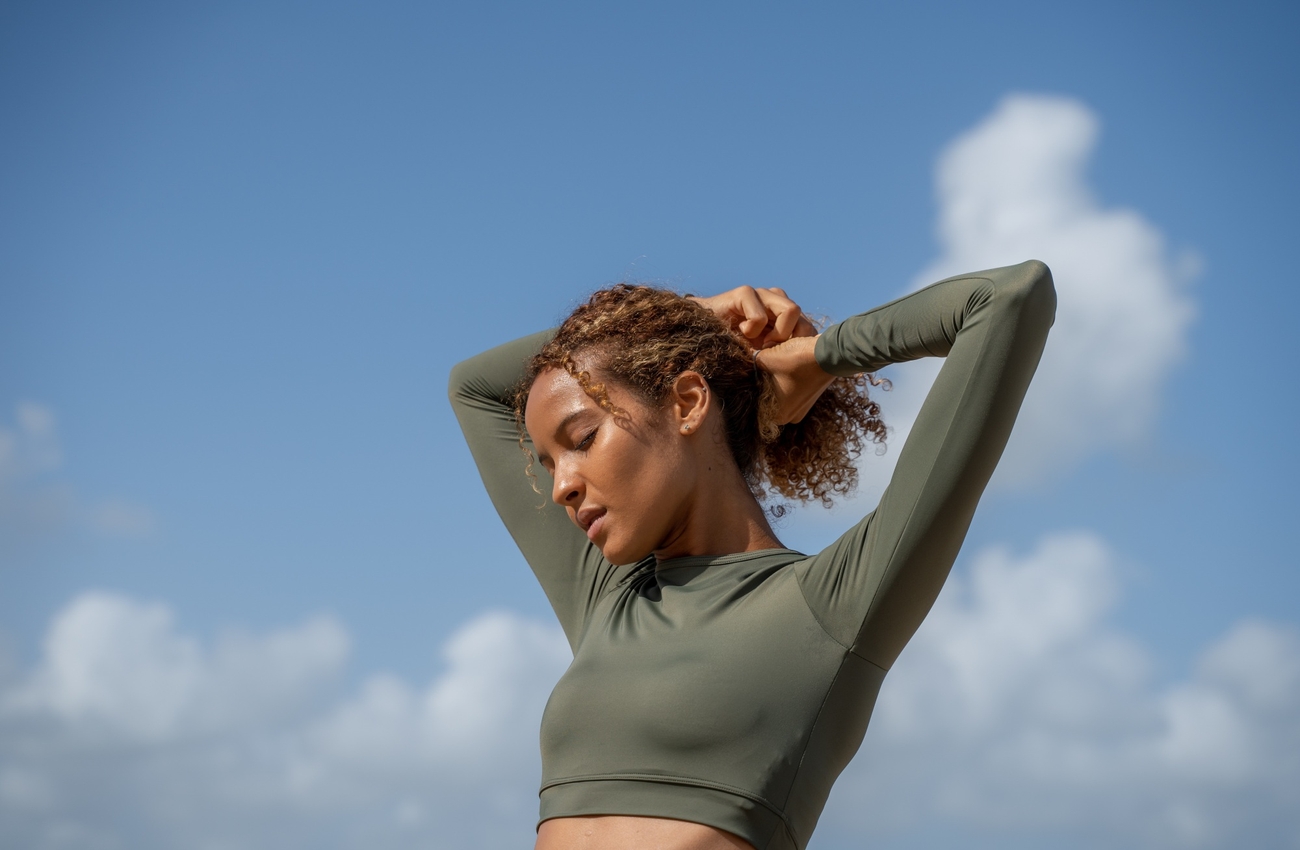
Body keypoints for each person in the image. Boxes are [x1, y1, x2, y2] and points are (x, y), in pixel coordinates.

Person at [449, 260, 1055, 850]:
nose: (562, 488)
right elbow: (473, 388)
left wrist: (821, 356)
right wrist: (692, 319)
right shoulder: (608, 597)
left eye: (583, 440)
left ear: (687, 403)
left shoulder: (832, 608)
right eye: (550, 465)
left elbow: (1007, 298)